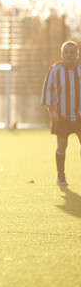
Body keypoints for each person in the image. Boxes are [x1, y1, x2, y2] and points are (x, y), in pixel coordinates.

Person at [40, 40, 81, 186]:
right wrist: (51, 110)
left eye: (72, 53)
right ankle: (61, 175)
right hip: (62, 116)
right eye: (66, 52)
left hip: (79, 115)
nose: (69, 55)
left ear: (77, 55)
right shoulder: (54, 70)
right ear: (62, 54)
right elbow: (47, 91)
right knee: (62, 146)